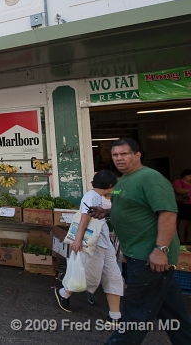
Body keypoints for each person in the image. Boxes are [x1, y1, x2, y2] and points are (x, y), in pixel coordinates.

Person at [89, 138, 191, 344]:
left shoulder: (151, 179)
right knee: (174, 315)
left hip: (148, 258)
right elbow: (132, 206)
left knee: (135, 317)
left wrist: (160, 250)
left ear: (137, 155)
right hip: (138, 254)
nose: (119, 158)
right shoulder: (125, 179)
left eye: (124, 154)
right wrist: (107, 212)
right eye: (115, 155)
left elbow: (168, 214)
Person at [54, 170, 124, 327]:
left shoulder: (98, 197)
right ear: (110, 185)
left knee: (113, 275)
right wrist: (77, 241)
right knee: (87, 273)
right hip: (93, 243)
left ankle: (115, 315)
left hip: (104, 242)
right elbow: (84, 219)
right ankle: (63, 293)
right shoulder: (91, 196)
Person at [173, 169, 191, 244]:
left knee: (190, 222)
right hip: (183, 204)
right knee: (183, 221)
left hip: (190, 204)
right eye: (189, 176)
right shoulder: (178, 181)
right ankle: (182, 239)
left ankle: (189, 239)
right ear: (184, 176)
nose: (190, 178)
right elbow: (178, 190)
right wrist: (189, 189)